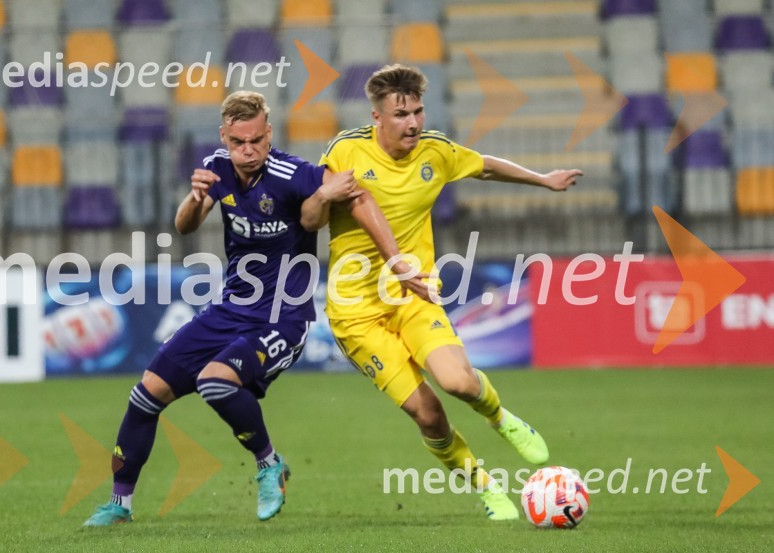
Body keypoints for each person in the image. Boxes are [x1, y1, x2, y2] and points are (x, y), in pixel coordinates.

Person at [83, 90, 410, 526]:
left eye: (257, 139)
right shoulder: (218, 170)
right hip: (229, 310)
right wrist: (195, 198)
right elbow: (184, 226)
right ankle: (119, 505)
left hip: (283, 318)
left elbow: (321, 215)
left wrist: (335, 203)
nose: (249, 150)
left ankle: (268, 464)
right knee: (144, 396)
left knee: (215, 383)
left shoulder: (295, 173)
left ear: (268, 132)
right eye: (239, 142)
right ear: (225, 137)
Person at [319, 64, 583, 520]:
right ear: (377, 117)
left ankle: (503, 419)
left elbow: (484, 167)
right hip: (356, 313)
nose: (414, 123)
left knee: (459, 381)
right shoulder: (346, 151)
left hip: (414, 294)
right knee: (429, 415)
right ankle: (485, 486)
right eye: (401, 115)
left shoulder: (435, 151)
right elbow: (326, 207)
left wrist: (542, 178)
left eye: (418, 111)